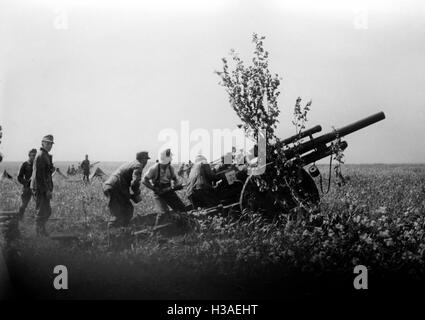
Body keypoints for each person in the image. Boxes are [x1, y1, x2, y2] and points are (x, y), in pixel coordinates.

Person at [103, 151, 150, 228]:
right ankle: (111, 235)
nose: (146, 162)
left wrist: (131, 195)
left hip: (113, 187)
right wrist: (136, 193)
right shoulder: (138, 166)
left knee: (127, 209)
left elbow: (125, 183)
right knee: (118, 213)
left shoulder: (131, 163)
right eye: (146, 159)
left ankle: (122, 230)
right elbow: (135, 182)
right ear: (142, 159)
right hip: (115, 188)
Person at [143, 148, 186, 223]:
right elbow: (144, 180)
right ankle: (157, 231)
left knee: (181, 208)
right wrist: (154, 188)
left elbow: (175, 179)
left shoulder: (170, 168)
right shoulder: (154, 168)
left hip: (169, 191)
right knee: (163, 213)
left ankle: (181, 226)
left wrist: (176, 185)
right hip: (159, 193)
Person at [30, 135, 55, 236]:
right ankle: (38, 233)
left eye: (51, 144)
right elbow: (40, 176)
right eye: (47, 143)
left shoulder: (45, 155)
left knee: (47, 210)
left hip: (43, 187)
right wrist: (47, 190)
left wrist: (50, 169)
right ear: (42, 143)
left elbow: (45, 172)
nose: (49, 145)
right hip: (40, 188)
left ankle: (41, 230)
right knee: (41, 210)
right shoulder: (41, 155)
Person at [17, 148, 37, 220]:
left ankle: (38, 220)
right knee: (24, 204)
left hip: (36, 188)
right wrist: (26, 182)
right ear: (29, 155)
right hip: (27, 188)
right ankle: (19, 218)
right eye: (32, 155)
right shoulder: (25, 164)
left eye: (35, 155)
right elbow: (19, 177)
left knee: (39, 204)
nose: (34, 157)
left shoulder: (37, 165)